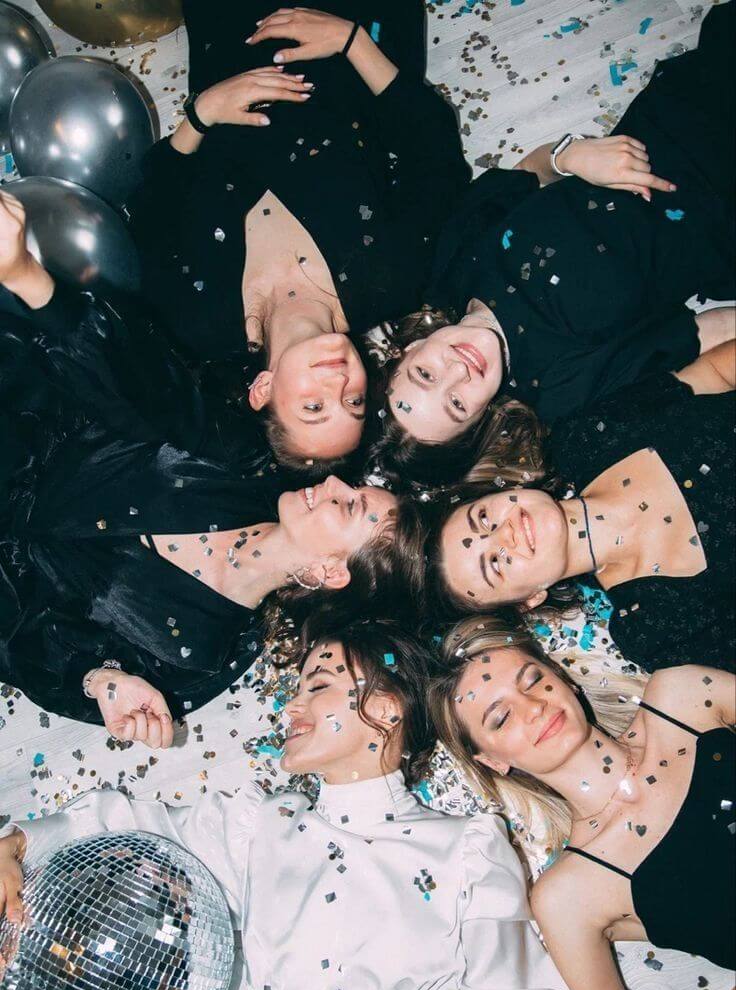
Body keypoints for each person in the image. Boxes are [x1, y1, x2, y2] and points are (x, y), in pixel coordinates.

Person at [0, 620, 574, 990]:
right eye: (298, 689)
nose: (292, 707)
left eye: (317, 686)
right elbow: (134, 829)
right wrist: (17, 843)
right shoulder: (262, 826)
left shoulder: (467, 849)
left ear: (385, 707)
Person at [0, 194, 422, 742]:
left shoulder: (202, 655)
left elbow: (25, 651)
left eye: (351, 506)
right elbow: (142, 383)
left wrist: (99, 679)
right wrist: (29, 278)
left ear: (329, 572)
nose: (335, 483)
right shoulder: (245, 463)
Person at [369, 1, 735, 489]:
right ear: (479, 424)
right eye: (456, 404)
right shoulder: (564, 391)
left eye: (425, 375)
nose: (457, 370)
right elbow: (705, 332)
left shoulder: (447, 270)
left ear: (410, 349)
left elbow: (529, 172)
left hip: (674, 117)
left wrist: (572, 155)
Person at [127, 2, 472, 469]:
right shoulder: (391, 282)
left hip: (229, 36)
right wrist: (352, 40)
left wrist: (201, 114)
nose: (339, 385)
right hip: (351, 24)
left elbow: (150, 210)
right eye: (354, 402)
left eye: (314, 406)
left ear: (263, 390)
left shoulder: (197, 322)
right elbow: (434, 153)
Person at [429, 616, 735, 990]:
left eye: (533, 680)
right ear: (491, 760)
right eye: (500, 718)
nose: (533, 707)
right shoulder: (569, 896)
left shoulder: (682, 695)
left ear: (563, 679)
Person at [429, 339, 735, 674]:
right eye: (495, 563)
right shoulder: (651, 627)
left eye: (484, 518)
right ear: (529, 600)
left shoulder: (585, 438)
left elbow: (715, 372)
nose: (506, 533)